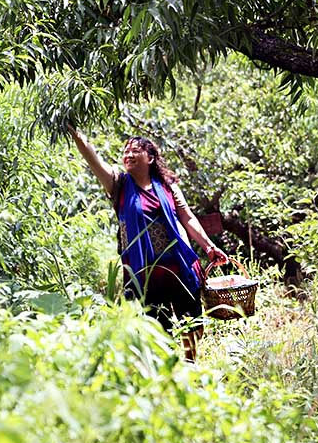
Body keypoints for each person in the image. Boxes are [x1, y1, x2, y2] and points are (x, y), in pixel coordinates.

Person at [68, 126, 228, 360]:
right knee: (155, 329)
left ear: (150, 158)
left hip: (179, 266)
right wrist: (77, 135)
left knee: (192, 322)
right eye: (125, 151)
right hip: (144, 274)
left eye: (135, 151)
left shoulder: (168, 186)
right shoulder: (118, 184)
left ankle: (190, 364)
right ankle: (166, 371)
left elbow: (187, 217)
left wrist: (208, 246)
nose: (128, 155)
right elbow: (93, 159)